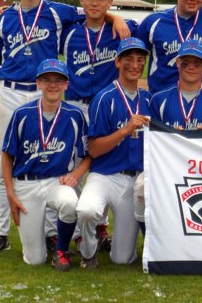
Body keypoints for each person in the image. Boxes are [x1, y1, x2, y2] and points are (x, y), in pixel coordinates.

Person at [0, 0, 129, 255]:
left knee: (55, 162)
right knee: (1, 165)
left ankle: (53, 232)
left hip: (46, 93)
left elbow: (94, 11)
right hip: (9, 93)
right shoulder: (3, 18)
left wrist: (117, 18)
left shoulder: (59, 13)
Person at [62, 0, 136, 252]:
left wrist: (115, 18)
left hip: (105, 105)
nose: (95, 3)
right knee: (72, 166)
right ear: (81, 1)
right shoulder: (69, 32)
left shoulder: (120, 30)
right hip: (76, 106)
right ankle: (66, 229)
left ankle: (97, 227)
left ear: (110, 2)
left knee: (100, 161)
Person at [1, 59, 89, 271]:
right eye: (47, 79)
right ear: (38, 83)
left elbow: (88, 154)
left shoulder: (75, 115)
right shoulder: (22, 114)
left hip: (55, 182)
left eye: (58, 80)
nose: (53, 85)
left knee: (69, 201)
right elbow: (6, 156)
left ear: (66, 84)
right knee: (34, 259)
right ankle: (48, 241)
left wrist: (75, 175)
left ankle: (60, 249)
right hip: (26, 184)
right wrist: (10, 194)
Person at [137, 40, 202, 232]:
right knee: (140, 187)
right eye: (186, 62)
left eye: (197, 63)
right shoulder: (159, 99)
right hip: (166, 166)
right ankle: (150, 241)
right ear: (177, 62)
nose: (191, 67)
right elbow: (149, 140)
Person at [76, 38, 151, 269]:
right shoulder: (104, 97)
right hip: (105, 176)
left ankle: (112, 243)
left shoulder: (149, 99)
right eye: (128, 59)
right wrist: (125, 130)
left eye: (140, 60)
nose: (135, 65)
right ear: (117, 62)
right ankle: (88, 252)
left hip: (134, 180)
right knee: (87, 210)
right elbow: (95, 149)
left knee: (122, 259)